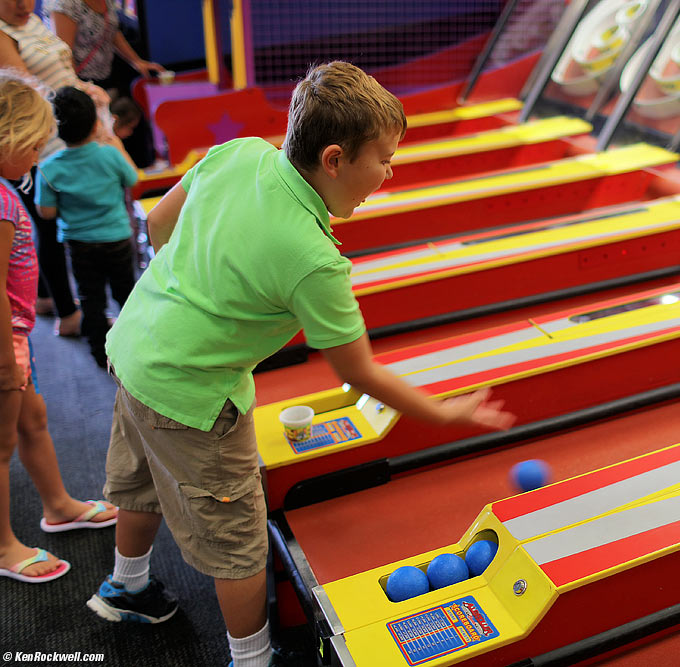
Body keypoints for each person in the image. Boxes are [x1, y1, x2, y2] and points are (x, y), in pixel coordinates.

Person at [87, 61, 515, 665]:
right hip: (194, 395)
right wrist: (442, 415)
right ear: (336, 160)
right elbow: (358, 374)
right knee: (238, 545)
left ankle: (126, 586)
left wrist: (189, 295)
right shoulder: (314, 259)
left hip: (134, 346)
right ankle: (253, 659)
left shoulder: (238, 152)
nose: (388, 174)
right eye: (384, 159)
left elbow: (159, 222)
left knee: (140, 474)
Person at [0, 70, 117, 584]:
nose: (37, 155)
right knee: (1, 445)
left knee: (34, 419)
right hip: (6, 344)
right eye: (31, 145)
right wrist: (8, 361)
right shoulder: (2, 204)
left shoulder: (8, 190)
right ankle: (3, 545)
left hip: (17, 337)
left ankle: (58, 505)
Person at [0, 0, 115, 337]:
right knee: (47, 224)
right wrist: (77, 104)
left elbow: (58, 71)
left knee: (48, 224)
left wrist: (82, 89)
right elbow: (27, 94)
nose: (23, 4)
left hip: (64, 130)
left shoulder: (32, 22)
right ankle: (68, 313)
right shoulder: (3, 33)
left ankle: (48, 296)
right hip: (43, 140)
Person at [36, 86, 137, 368]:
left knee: (91, 299)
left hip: (80, 244)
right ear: (96, 124)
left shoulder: (48, 167)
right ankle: (136, 346)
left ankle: (99, 354)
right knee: (127, 294)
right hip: (116, 238)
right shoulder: (109, 155)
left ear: (55, 130)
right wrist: (115, 143)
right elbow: (132, 178)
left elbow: (46, 213)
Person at [44, 0, 164, 92]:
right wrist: (78, 90)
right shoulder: (63, 4)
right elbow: (64, 55)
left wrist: (136, 61)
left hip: (102, 75)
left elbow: (111, 29)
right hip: (79, 81)